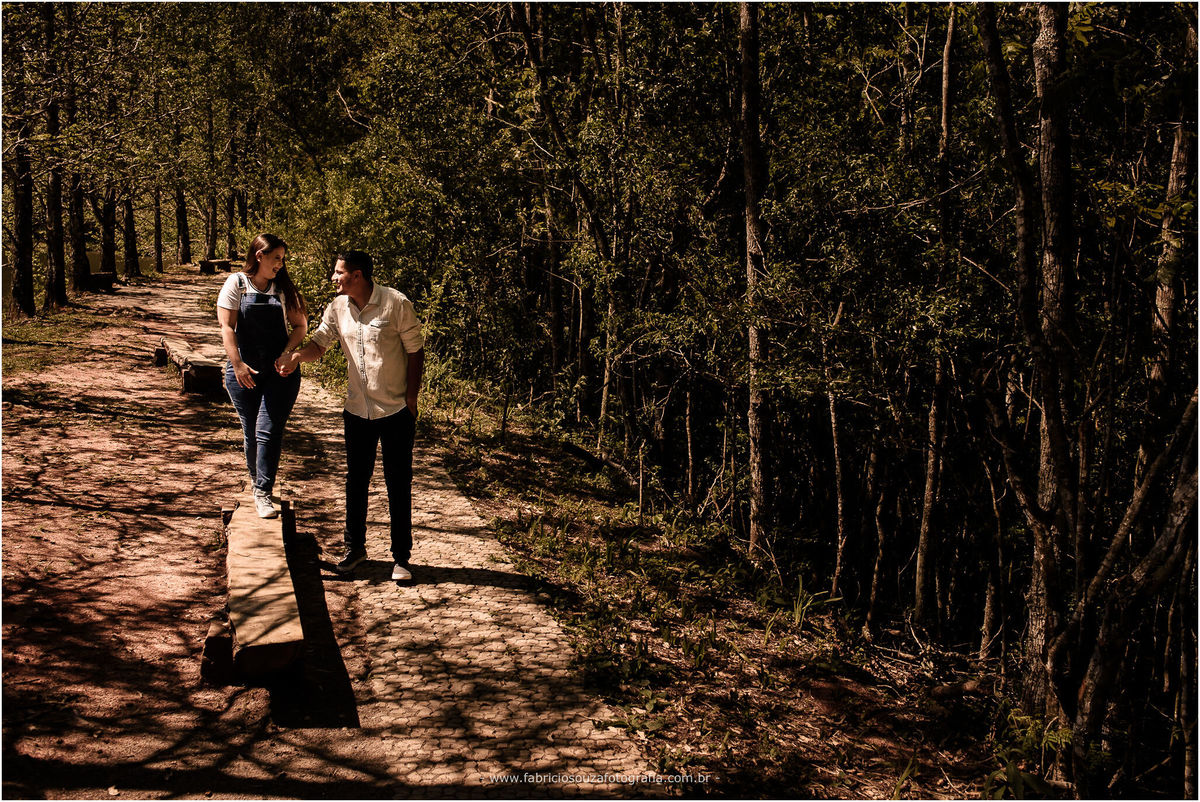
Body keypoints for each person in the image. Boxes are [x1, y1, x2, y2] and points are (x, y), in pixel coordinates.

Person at [277, 250, 425, 581]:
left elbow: (415, 350)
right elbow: (319, 344)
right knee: (356, 482)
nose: (334, 277)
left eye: (339, 272)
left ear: (357, 276)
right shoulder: (337, 308)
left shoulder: (395, 303)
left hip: (396, 410)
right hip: (357, 410)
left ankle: (401, 558)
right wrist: (296, 357)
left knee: (397, 484)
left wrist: (412, 397)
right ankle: (355, 549)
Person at [217, 233, 307, 519]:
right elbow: (227, 328)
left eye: (282, 259)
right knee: (251, 432)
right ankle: (259, 484)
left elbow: (300, 327)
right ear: (259, 256)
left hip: (280, 372)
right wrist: (238, 364)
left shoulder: (283, 289)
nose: (280, 264)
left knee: (267, 431)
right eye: (276, 258)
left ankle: (263, 493)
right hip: (244, 371)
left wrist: (288, 353)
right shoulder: (237, 284)